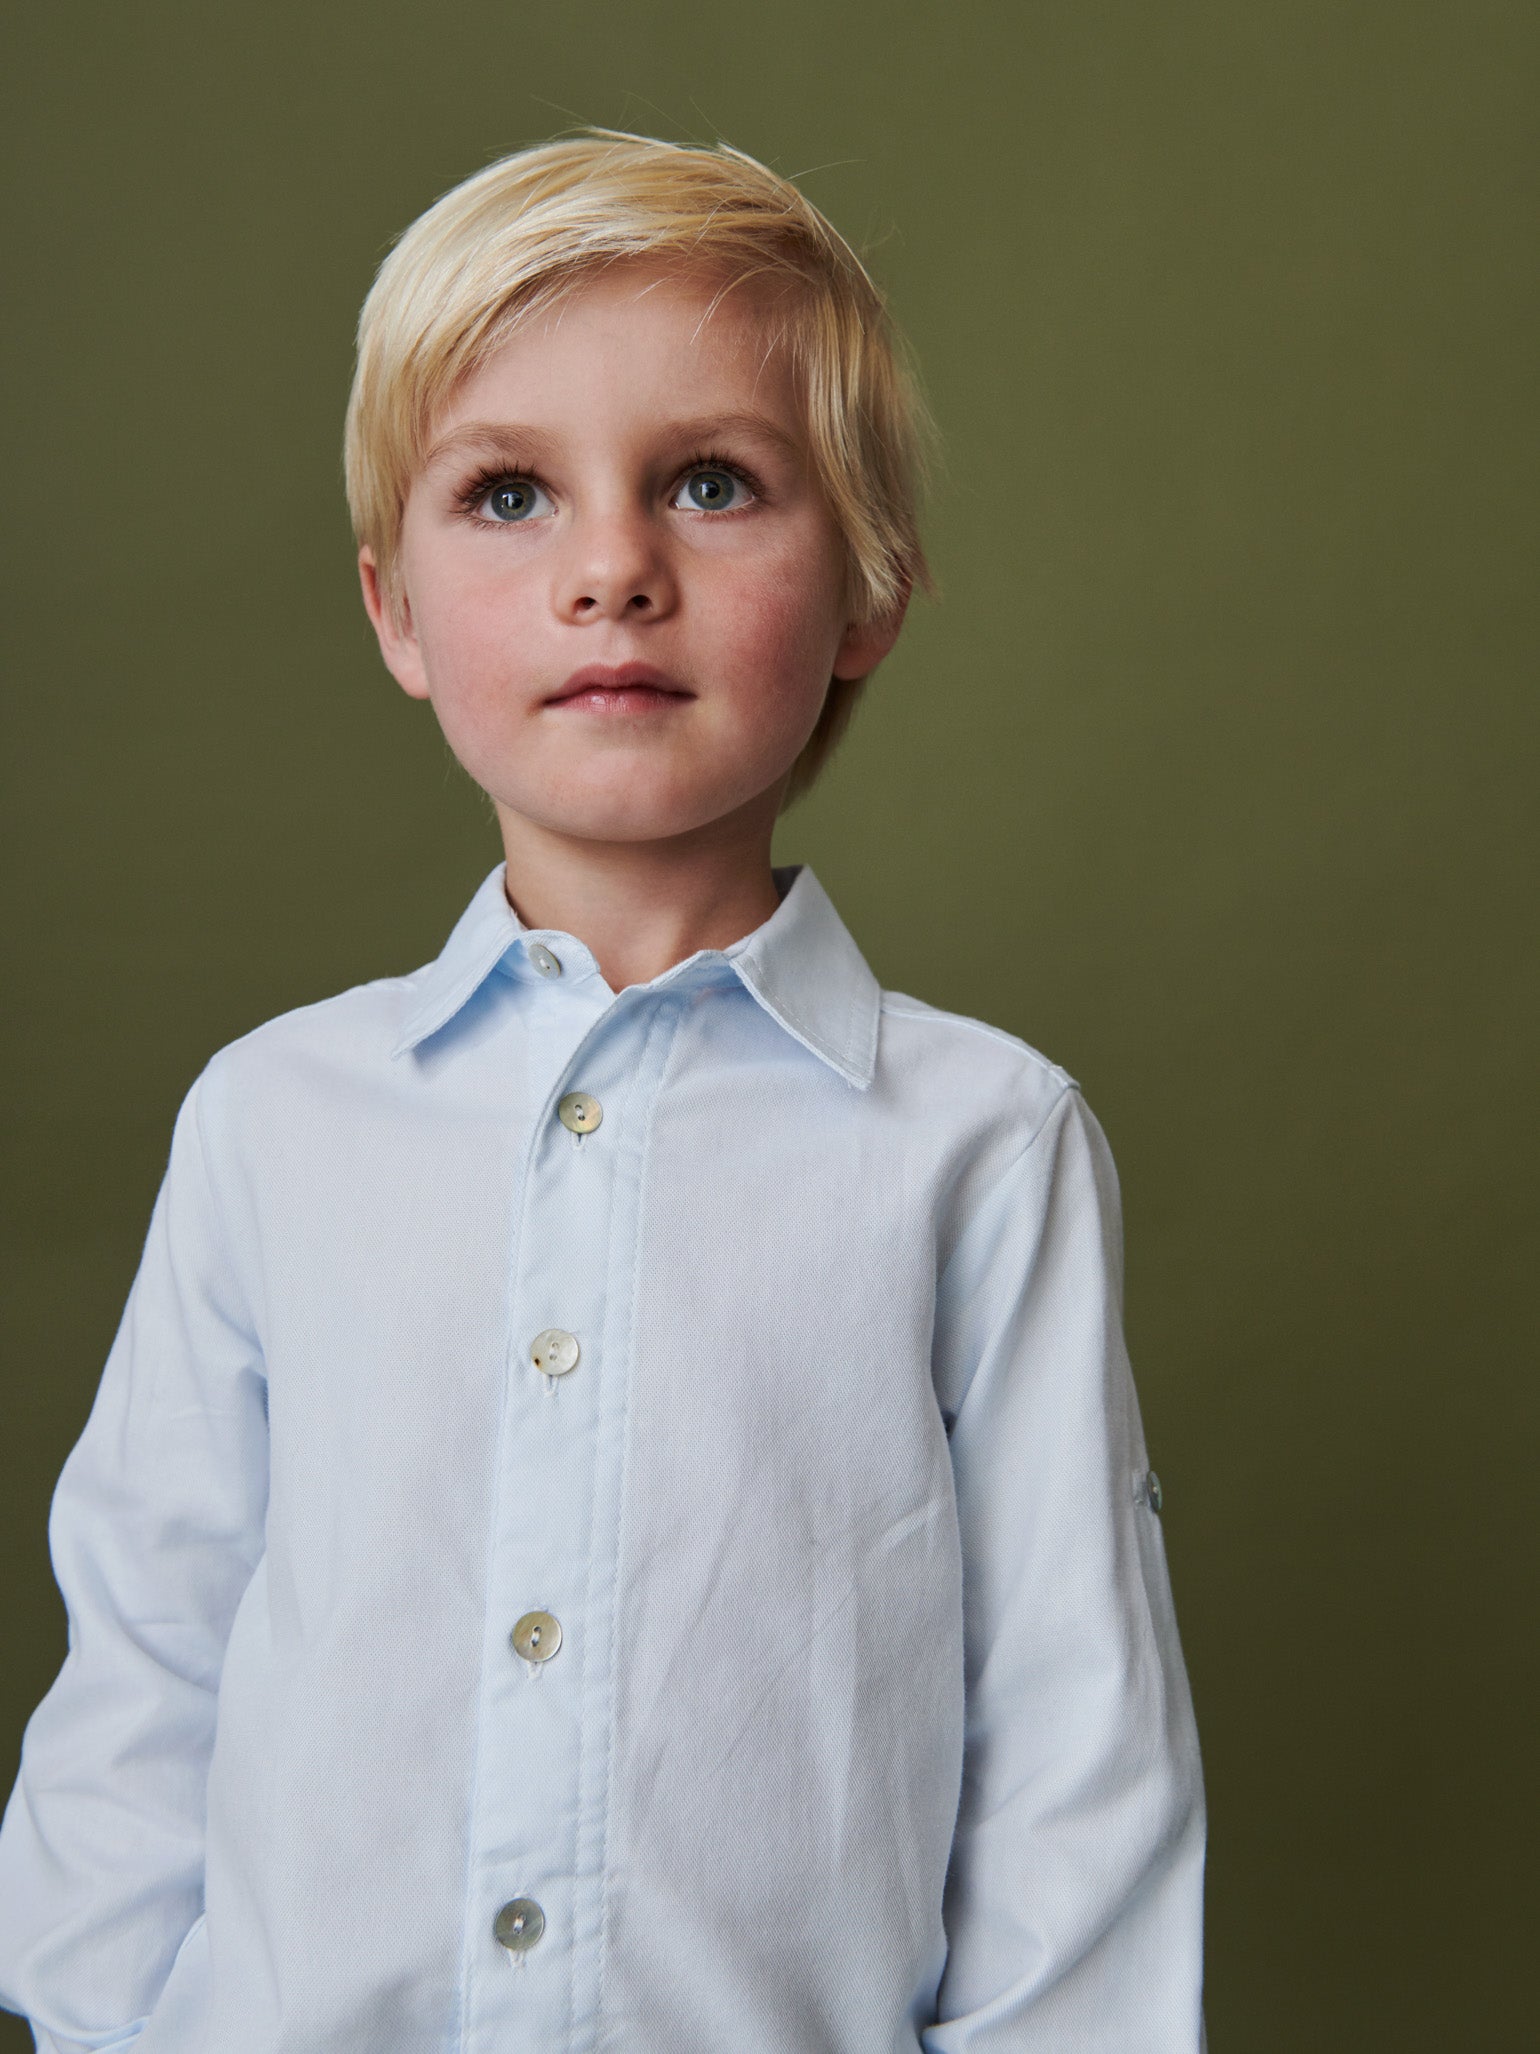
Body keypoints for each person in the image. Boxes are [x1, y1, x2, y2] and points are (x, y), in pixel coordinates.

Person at [0, 128, 1206, 2051]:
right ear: (395, 612)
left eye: (711, 484)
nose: (612, 570)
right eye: (507, 494)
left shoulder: (986, 1146)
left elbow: (1079, 1748)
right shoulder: (272, 1122)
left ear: (871, 593)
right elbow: (145, 1664)